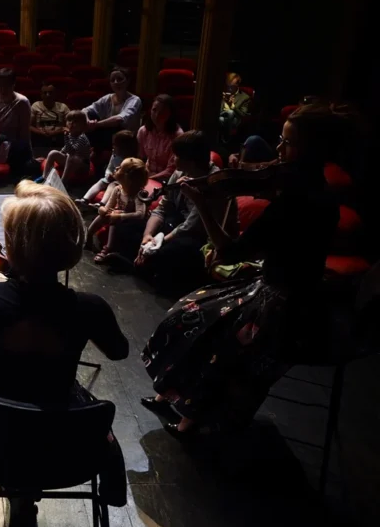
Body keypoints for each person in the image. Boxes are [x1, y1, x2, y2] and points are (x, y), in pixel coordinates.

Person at [140, 105, 343, 436]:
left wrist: (203, 204)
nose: (278, 150)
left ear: (311, 150)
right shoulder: (316, 193)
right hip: (277, 287)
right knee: (193, 312)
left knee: (211, 335)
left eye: (287, 143)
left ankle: (191, 420)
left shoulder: (297, 202)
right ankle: (170, 394)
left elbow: (229, 250)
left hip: (285, 305)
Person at [0, 181, 129, 509]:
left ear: (12, 246)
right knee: (103, 431)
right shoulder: (90, 308)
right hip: (65, 441)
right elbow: (119, 352)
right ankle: (113, 491)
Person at [134, 130, 234, 289]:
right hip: (175, 225)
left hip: (198, 238)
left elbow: (191, 226)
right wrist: (147, 237)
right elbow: (162, 208)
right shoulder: (180, 172)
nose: (173, 159)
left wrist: (158, 243)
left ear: (191, 161)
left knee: (170, 253)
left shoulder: (213, 183)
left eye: (177, 156)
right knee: (132, 228)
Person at [87, 158, 148, 264]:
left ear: (128, 177)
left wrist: (119, 216)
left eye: (120, 168)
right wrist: (102, 210)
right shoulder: (118, 189)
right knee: (106, 214)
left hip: (132, 223)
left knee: (114, 215)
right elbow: (108, 206)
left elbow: (140, 214)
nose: (116, 168)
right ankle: (88, 235)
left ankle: (108, 248)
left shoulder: (138, 194)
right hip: (118, 215)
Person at [83, 67, 143, 150]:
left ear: (128, 81)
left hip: (126, 138)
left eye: (119, 79)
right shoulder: (108, 98)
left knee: (108, 128)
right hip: (109, 134)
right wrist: (88, 122)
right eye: (112, 80)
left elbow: (119, 119)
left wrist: (96, 125)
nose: (116, 82)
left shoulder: (135, 100)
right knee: (90, 115)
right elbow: (85, 110)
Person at [80, 129, 139, 208]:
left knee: (112, 185)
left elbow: (128, 177)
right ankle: (85, 199)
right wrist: (108, 175)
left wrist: (116, 177)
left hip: (122, 183)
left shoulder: (131, 161)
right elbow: (109, 168)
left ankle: (102, 204)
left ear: (124, 147)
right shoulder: (114, 155)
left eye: (115, 145)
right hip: (112, 178)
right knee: (101, 182)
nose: (113, 147)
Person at [137, 94, 182, 182]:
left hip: (166, 180)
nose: (157, 115)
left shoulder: (177, 136)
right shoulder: (143, 131)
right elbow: (140, 159)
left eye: (162, 112)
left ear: (170, 114)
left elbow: (171, 170)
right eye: (154, 110)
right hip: (146, 175)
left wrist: (148, 180)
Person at [40, 110, 91, 182]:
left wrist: (66, 138)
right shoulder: (70, 134)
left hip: (82, 166)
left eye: (75, 121)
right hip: (70, 162)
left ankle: (63, 182)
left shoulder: (82, 138)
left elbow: (72, 152)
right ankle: (44, 177)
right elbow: (66, 149)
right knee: (53, 152)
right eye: (69, 120)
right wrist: (60, 154)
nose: (71, 123)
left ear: (83, 125)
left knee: (71, 157)